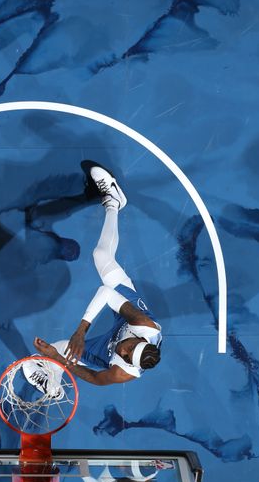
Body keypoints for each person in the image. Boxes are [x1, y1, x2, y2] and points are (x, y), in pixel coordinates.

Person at [32, 164, 163, 386]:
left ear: (129, 362)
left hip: (103, 350)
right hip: (128, 315)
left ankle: (51, 381)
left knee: (62, 349)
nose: (125, 347)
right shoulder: (142, 324)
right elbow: (106, 292)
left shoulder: (121, 372)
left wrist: (57, 358)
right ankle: (114, 201)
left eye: (127, 352)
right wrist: (81, 331)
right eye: (132, 344)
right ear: (140, 338)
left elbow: (94, 377)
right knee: (101, 256)